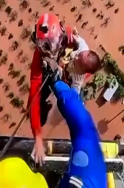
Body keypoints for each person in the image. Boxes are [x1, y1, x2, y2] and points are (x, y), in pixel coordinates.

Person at [0, 62, 107, 188]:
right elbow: (84, 128)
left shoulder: (86, 184)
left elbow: (84, 129)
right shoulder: (86, 185)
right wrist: (59, 85)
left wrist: (58, 84)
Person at [29, 13, 96, 164]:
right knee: (36, 106)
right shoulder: (39, 58)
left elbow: (83, 68)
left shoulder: (70, 37)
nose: (50, 46)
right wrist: (38, 136)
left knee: (68, 104)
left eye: (52, 41)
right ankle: (45, 108)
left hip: (69, 79)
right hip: (54, 74)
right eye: (45, 44)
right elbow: (34, 96)